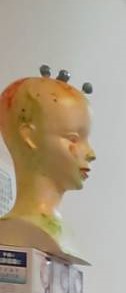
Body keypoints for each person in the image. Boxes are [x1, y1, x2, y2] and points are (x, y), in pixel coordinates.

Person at [0, 69, 95, 259]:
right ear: (29, 136)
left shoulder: (62, 235)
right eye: (73, 139)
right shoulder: (20, 229)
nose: (91, 154)